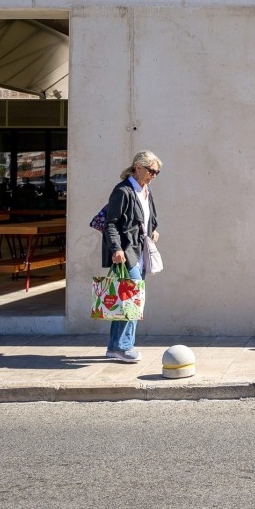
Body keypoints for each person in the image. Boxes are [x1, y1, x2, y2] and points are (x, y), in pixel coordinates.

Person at [102, 149, 162, 363]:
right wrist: (116, 249)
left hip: (141, 250)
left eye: (157, 172)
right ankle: (123, 346)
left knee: (127, 298)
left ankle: (114, 347)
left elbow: (150, 218)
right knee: (132, 299)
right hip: (127, 253)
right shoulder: (123, 191)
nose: (153, 175)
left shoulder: (145, 191)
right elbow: (110, 223)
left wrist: (153, 229)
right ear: (138, 167)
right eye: (151, 171)